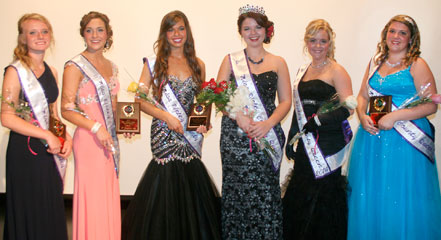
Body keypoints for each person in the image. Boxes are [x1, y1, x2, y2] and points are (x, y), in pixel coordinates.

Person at [121, 10, 221, 240]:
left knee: (190, 186)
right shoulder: (155, 64)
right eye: (171, 28)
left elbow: (202, 103)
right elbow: (140, 101)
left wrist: (203, 123)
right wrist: (166, 117)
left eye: (181, 28)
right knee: (164, 185)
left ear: (188, 32)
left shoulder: (198, 64)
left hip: (188, 135)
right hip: (164, 133)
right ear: (164, 33)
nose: (177, 34)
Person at [347, 15, 441, 239]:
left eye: (402, 33)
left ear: (411, 39)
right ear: (385, 34)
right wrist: (362, 115)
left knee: (401, 193)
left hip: (405, 142)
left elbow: (431, 105)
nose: (396, 37)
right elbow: (362, 96)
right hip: (372, 139)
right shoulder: (375, 62)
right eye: (392, 31)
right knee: (373, 192)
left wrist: (397, 116)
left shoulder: (417, 64)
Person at [216, 5, 291, 239]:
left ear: (266, 30)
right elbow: (219, 97)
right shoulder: (230, 61)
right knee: (237, 191)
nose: (253, 32)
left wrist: (268, 124)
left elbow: (286, 101)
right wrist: (237, 116)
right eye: (247, 28)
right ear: (240, 32)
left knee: (266, 192)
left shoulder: (278, 62)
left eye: (258, 27)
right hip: (235, 137)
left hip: (265, 134)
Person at [1, 13, 72, 239]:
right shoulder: (15, 71)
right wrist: (45, 134)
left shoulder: (52, 71)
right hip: (25, 152)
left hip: (48, 150)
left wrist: (65, 136)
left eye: (44, 31)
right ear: (23, 38)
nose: (40, 36)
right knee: (28, 207)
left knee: (48, 206)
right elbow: (7, 117)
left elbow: (52, 114)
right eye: (33, 32)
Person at [282, 19, 354, 240]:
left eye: (323, 41)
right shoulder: (303, 71)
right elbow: (298, 107)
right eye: (313, 41)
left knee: (325, 198)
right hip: (306, 145)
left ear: (330, 42)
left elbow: (349, 108)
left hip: (327, 146)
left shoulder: (337, 70)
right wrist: (291, 137)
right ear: (306, 42)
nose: (318, 46)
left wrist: (320, 121)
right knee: (301, 195)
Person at [61, 11, 121, 240]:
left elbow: (114, 108)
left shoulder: (112, 67)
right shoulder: (74, 66)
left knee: (107, 194)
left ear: (108, 34)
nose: (95, 35)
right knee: (93, 197)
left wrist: (126, 123)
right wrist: (97, 128)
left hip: (109, 140)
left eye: (99, 30)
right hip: (89, 139)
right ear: (83, 34)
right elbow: (66, 108)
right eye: (89, 30)